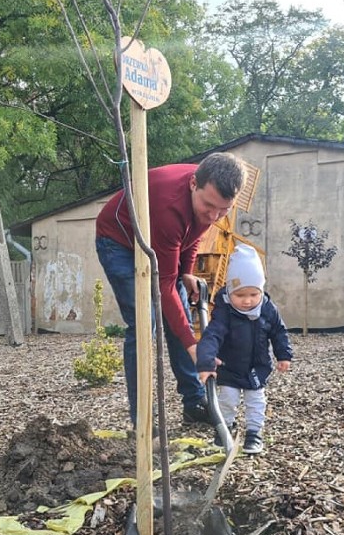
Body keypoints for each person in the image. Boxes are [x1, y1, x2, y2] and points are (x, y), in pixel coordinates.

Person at [95, 152, 247, 430]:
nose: (214, 216)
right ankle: (143, 424)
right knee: (145, 324)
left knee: (180, 321)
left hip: (160, 239)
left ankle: (194, 403)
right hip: (120, 240)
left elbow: (194, 232)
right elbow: (164, 285)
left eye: (223, 210)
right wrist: (194, 346)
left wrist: (187, 271)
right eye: (209, 206)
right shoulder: (170, 207)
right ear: (193, 184)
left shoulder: (209, 198)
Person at [196, 244, 292, 455]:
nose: (247, 301)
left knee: (255, 401)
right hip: (229, 367)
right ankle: (225, 427)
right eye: (240, 295)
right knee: (227, 400)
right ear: (230, 292)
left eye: (253, 294)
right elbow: (212, 336)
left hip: (257, 367)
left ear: (261, 290)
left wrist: (283, 354)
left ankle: (254, 433)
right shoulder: (224, 312)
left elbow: (279, 332)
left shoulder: (267, 309)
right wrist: (206, 361)